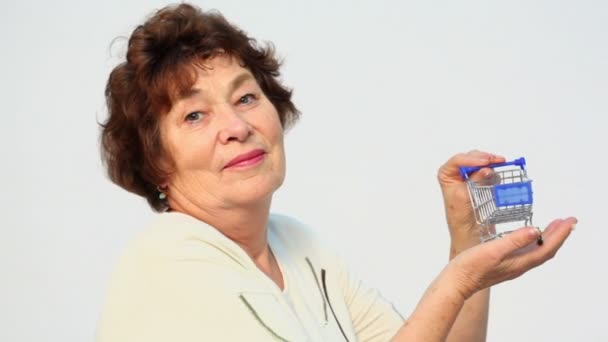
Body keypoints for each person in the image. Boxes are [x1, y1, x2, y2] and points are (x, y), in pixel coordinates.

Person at [97, 3, 576, 341]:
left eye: (246, 97)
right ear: (155, 161)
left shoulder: (297, 245)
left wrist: (468, 247)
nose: (237, 127)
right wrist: (457, 282)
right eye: (194, 115)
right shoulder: (168, 265)